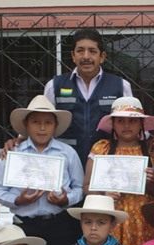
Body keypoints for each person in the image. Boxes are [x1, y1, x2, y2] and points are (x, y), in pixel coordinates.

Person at [0, 95, 85, 245]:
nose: (42, 128)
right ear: (26, 124)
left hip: (59, 224)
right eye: (36, 122)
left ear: (55, 126)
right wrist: (18, 200)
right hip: (25, 225)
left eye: (48, 123)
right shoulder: (14, 154)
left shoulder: (67, 153)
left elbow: (79, 188)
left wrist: (66, 200)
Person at [85, 96, 154, 245]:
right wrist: (103, 194)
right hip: (111, 217)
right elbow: (86, 186)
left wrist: (149, 183)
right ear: (113, 124)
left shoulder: (151, 150)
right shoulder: (101, 149)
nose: (126, 126)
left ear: (141, 124)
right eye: (120, 121)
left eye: (132, 121)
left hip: (142, 219)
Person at [44, 28, 134, 162]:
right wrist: (20, 139)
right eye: (80, 51)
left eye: (92, 51)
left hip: (106, 161)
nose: (86, 56)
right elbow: (41, 122)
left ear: (102, 56)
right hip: (65, 160)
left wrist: (152, 140)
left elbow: (134, 124)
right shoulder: (54, 86)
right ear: (73, 56)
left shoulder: (121, 86)